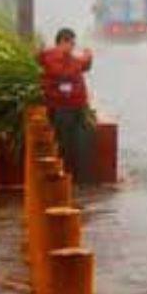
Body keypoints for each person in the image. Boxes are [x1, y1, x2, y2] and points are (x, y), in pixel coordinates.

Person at [38, 27, 97, 184]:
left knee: (79, 142)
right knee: (64, 142)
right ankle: (65, 176)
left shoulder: (68, 58)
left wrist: (88, 58)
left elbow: (83, 66)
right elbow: (66, 72)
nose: (72, 47)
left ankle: (78, 177)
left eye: (73, 44)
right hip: (61, 107)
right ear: (62, 42)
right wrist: (85, 57)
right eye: (70, 43)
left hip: (76, 106)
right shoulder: (52, 57)